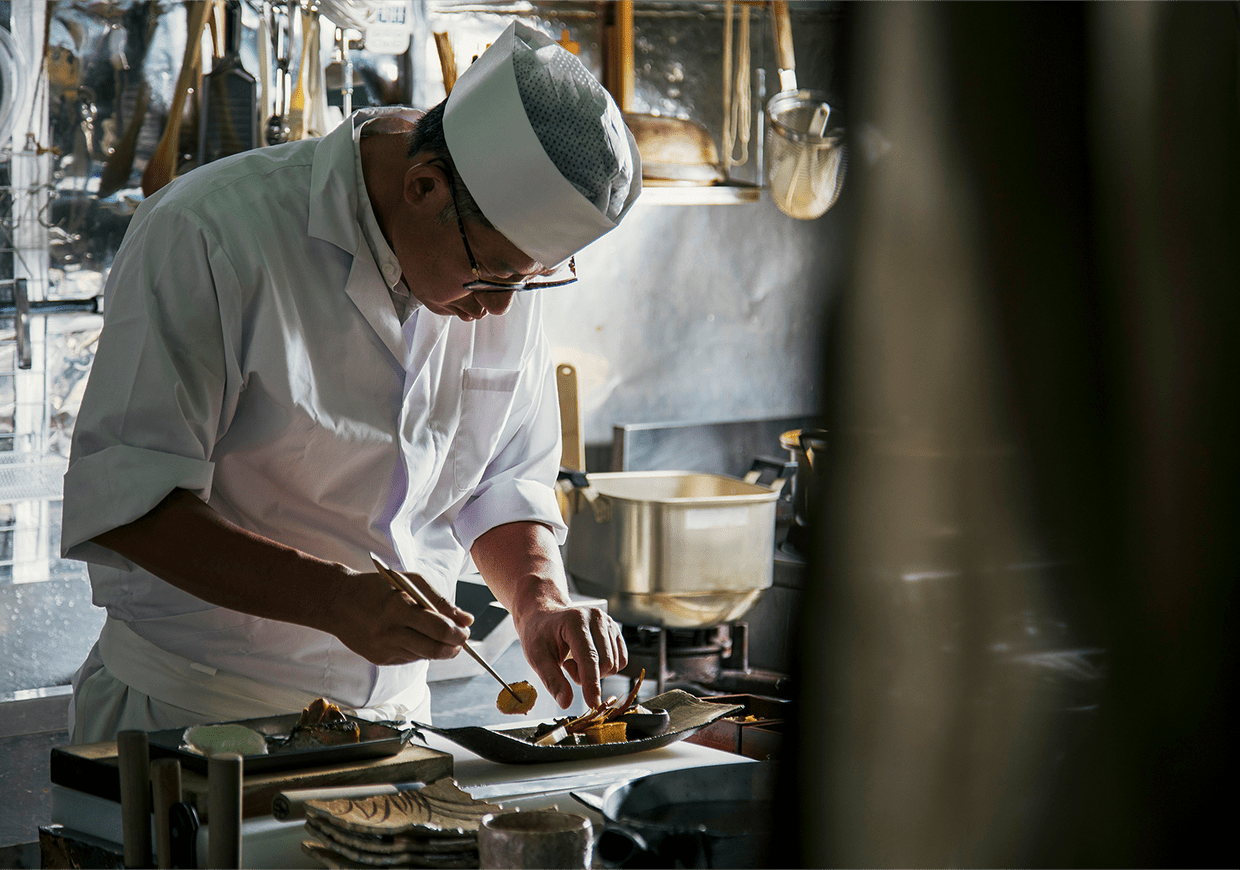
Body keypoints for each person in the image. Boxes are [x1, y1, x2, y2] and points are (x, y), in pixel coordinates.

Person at [60, 21, 642, 744]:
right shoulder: (208, 233)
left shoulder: (489, 269)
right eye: (494, 277)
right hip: (197, 716)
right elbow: (131, 502)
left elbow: (500, 480)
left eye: (525, 284)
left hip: (395, 727)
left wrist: (538, 599)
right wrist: (335, 601)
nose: (497, 308)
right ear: (425, 185)